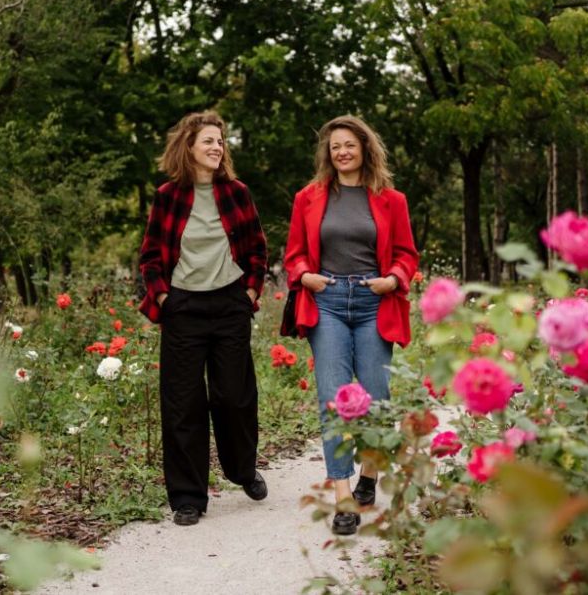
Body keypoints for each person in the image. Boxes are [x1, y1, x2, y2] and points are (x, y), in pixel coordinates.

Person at [284, 115, 418, 536]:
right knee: (333, 399)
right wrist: (305, 275)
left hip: (373, 301)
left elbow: (406, 254)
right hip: (326, 302)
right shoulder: (308, 197)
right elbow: (293, 255)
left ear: (364, 149)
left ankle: (369, 476)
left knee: (377, 400)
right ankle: (343, 497)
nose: (341, 152)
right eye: (334, 146)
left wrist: (393, 279)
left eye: (349, 145)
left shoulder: (391, 200)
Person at [139, 110, 269, 526]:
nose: (217, 147)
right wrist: (164, 297)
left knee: (234, 396)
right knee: (183, 405)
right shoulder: (168, 196)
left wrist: (249, 291)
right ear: (189, 148)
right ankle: (188, 497)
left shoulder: (237, 193)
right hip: (184, 309)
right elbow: (151, 255)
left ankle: (242, 470)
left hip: (230, 304)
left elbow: (257, 250)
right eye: (208, 141)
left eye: (221, 141)